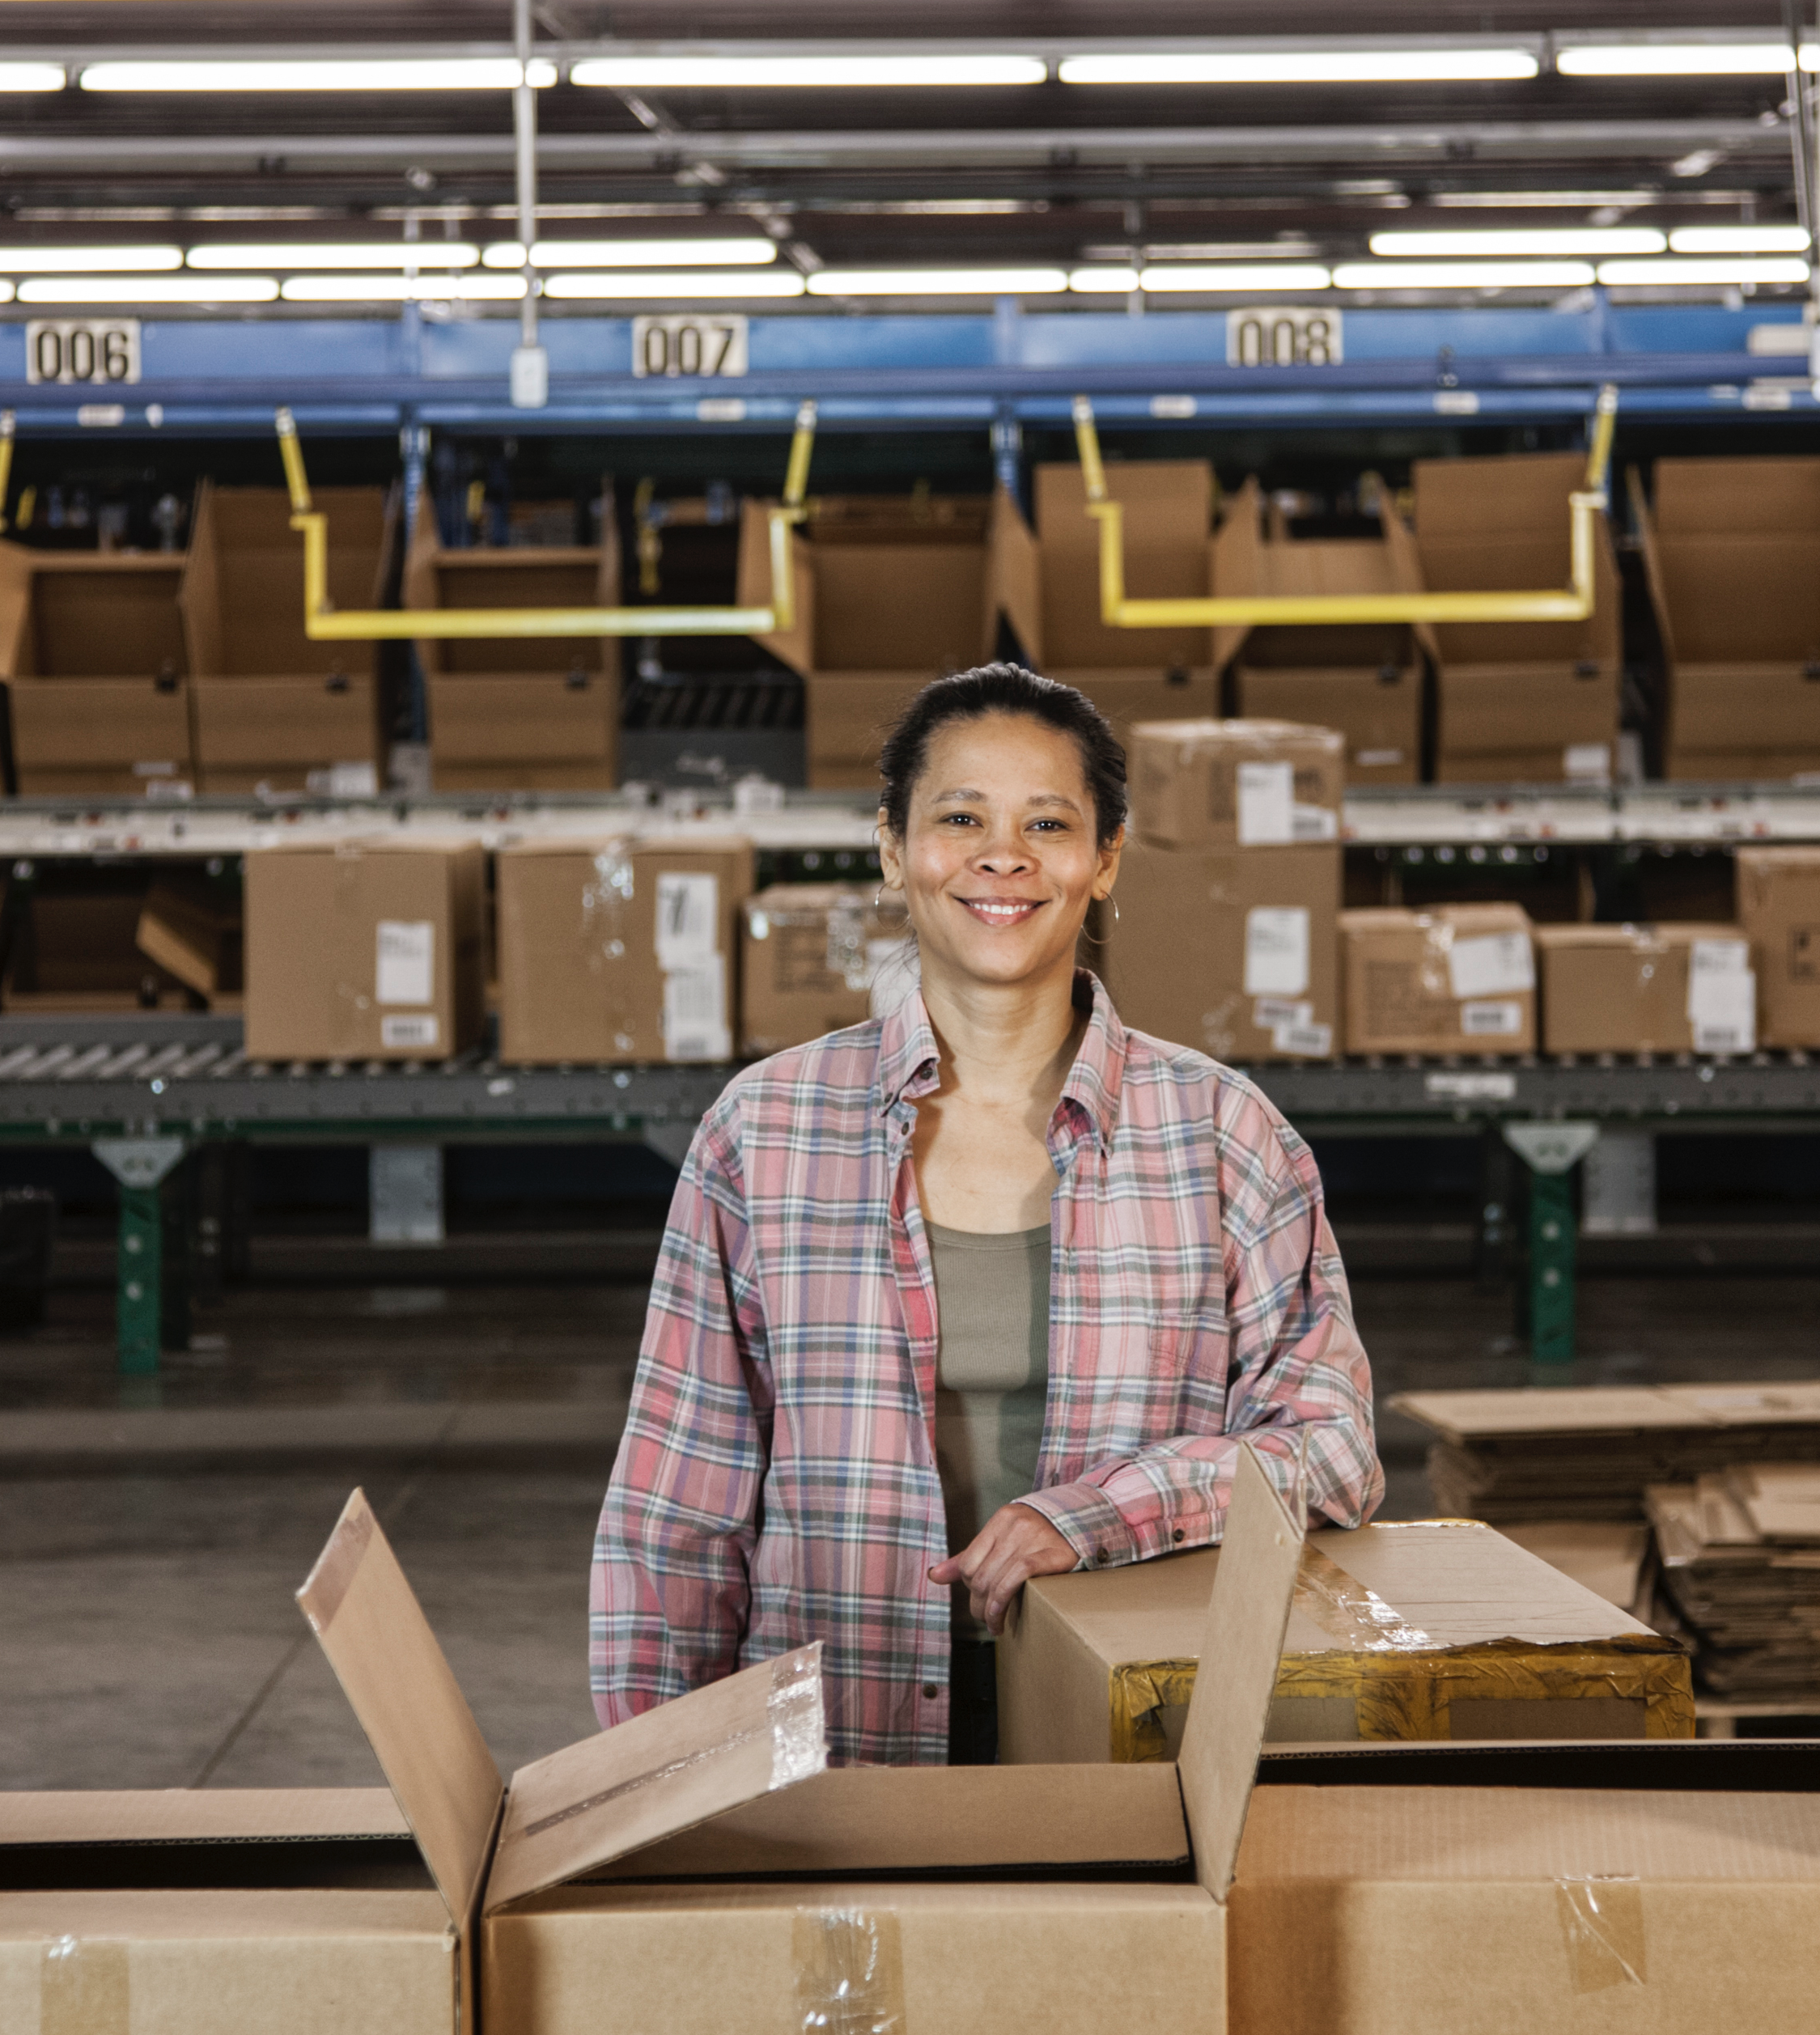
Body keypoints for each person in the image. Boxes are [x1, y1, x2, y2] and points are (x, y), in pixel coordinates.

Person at [589, 661, 1382, 1766]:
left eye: (1046, 823)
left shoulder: (1222, 1136)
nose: (1001, 856)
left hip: (1130, 1747)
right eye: (959, 816)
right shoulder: (764, 1134)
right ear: (891, 848)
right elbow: (677, 1507)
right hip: (833, 1753)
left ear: (1103, 860)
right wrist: (646, 1780)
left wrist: (1096, 1515)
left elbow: (1330, 1447)